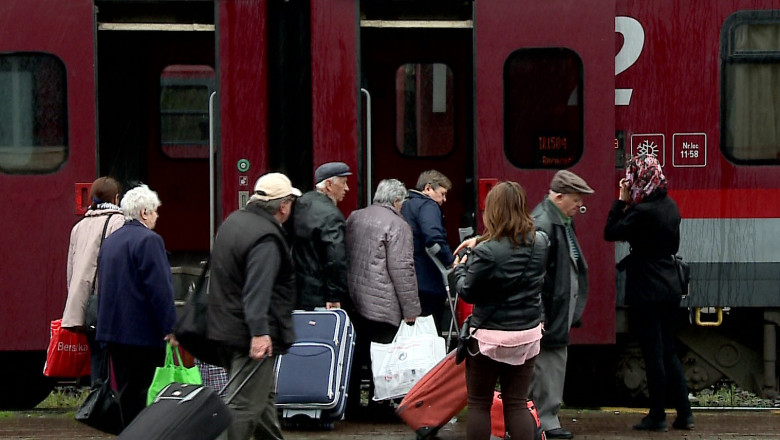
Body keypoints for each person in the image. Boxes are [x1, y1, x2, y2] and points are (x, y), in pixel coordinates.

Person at [451, 181, 549, 440]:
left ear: (492, 211)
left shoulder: (486, 252)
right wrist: (480, 242)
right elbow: (513, 244)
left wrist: (460, 268)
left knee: (479, 403)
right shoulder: (540, 243)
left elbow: (468, 291)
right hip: (527, 334)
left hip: (490, 338)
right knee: (516, 403)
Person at [207, 172, 301, 440]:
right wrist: (259, 332)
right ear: (283, 206)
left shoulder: (233, 222)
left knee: (262, 401)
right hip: (249, 334)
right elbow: (257, 290)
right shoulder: (267, 238)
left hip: (226, 328)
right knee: (244, 407)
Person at [604, 154, 694, 432]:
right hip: (669, 284)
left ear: (639, 178)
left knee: (652, 352)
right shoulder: (670, 206)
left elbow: (610, 232)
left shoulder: (641, 212)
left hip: (647, 287)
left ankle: (657, 416)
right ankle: (685, 414)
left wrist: (620, 199)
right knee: (668, 351)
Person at [96, 184, 178, 424]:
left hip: (113, 332)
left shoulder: (111, 241)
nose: (157, 216)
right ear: (144, 212)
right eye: (154, 211)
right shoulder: (149, 241)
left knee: (126, 393)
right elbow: (159, 290)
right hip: (142, 335)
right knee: (143, 394)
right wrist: (171, 327)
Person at [345, 179, 420, 417]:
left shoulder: (355, 217)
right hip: (382, 303)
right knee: (384, 360)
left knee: (357, 357)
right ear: (397, 201)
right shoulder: (398, 225)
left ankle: (352, 406)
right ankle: (378, 407)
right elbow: (402, 269)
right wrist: (411, 309)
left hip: (355, 300)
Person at [529, 170, 594, 440]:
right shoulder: (545, 223)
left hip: (558, 307)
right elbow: (536, 276)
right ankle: (544, 421)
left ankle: (545, 417)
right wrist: (542, 314)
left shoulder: (560, 219)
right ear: (558, 196)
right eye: (575, 199)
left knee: (551, 363)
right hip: (551, 310)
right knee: (547, 363)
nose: (579, 205)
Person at [61, 176, 125, 386]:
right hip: (106, 303)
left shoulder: (79, 226)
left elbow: (71, 269)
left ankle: (97, 403)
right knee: (113, 361)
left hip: (87, 306)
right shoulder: (118, 222)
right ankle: (109, 407)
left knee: (97, 357)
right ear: (116, 198)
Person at [292, 162, 351, 310]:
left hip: (297, 289)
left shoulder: (301, 203)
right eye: (343, 183)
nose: (346, 188)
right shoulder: (332, 215)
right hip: (319, 294)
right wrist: (334, 296)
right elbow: (335, 259)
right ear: (329, 185)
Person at [400, 170, 454, 332]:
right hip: (428, 280)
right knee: (430, 332)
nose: (444, 200)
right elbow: (433, 238)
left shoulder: (404, 204)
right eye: (442, 194)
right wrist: (449, 260)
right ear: (428, 188)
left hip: (407, 281)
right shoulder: (428, 205)